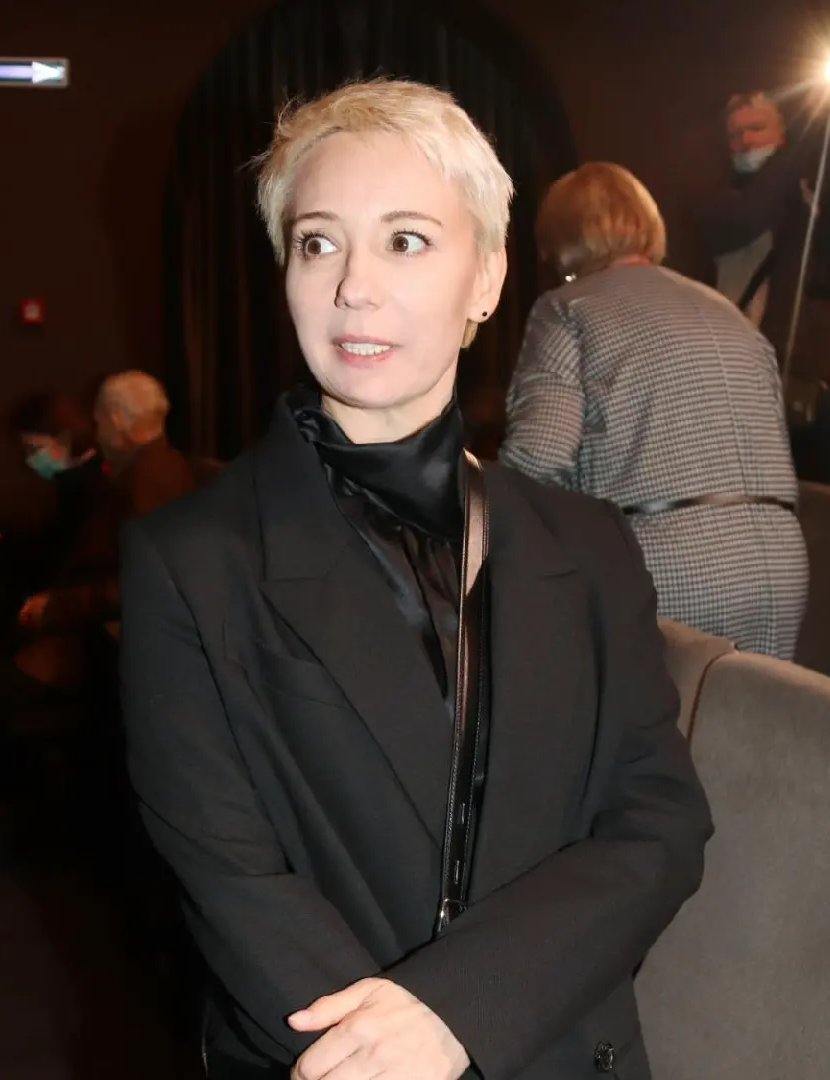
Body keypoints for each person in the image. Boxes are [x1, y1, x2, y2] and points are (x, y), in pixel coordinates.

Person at [121, 79, 712, 1079]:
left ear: (487, 278)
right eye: (318, 242)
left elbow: (658, 819)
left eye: (405, 240)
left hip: (559, 1046)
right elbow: (227, 869)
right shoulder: (188, 558)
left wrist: (461, 1011)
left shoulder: (590, 542)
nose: (354, 286)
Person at [503, 161, 807, 659]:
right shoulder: (729, 313)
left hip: (668, 561)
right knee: (749, 708)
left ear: (557, 239)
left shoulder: (568, 308)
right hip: (779, 563)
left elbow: (538, 459)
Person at [700, 91, 830, 382]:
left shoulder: (814, 188)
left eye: (757, 128)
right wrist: (796, 153)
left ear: (781, 132)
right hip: (760, 360)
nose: (747, 140)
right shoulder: (720, 200)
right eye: (736, 134)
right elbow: (746, 219)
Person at [18, 371, 194, 636]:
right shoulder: (175, 468)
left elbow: (135, 585)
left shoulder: (138, 486)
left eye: (99, 424)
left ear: (115, 422)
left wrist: (55, 607)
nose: (97, 436)